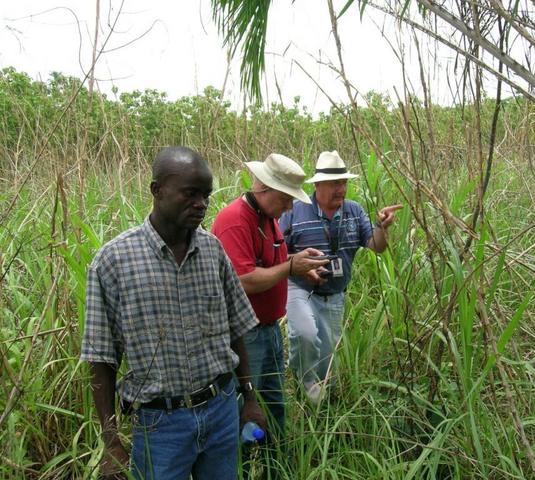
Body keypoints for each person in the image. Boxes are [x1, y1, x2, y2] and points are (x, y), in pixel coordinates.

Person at [80, 146, 265, 480]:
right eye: (190, 194)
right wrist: (111, 441)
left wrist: (249, 398)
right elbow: (100, 359)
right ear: (156, 190)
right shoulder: (112, 262)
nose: (201, 204)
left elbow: (236, 327)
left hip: (221, 410)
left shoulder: (212, 250)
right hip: (159, 425)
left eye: (206, 196)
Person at [211, 154, 327, 447]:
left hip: (269, 330)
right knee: (245, 409)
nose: (290, 206)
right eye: (286, 198)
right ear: (264, 189)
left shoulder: (268, 218)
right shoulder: (234, 219)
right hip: (245, 336)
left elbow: (267, 263)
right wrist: (290, 267)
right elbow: (242, 280)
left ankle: (275, 463)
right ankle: (244, 465)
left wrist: (298, 265)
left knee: (273, 407)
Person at [280, 151, 402, 403]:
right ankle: (303, 387)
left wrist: (382, 227)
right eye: (335, 183)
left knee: (327, 362)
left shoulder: (354, 211)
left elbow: (376, 246)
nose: (341, 189)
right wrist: (299, 264)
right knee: (304, 334)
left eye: (344, 182)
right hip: (299, 288)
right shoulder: (296, 211)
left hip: (334, 295)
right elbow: (278, 251)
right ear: (318, 185)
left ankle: (320, 405)